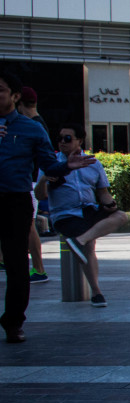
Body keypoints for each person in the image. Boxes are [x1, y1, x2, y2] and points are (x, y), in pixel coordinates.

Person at [0, 71, 97, 342]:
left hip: (14, 200)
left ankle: (13, 323)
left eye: (0, 90)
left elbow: (48, 165)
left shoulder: (31, 129)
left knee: (17, 263)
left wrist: (67, 165)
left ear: (15, 96)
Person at [35, 124, 125, 308]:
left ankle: (80, 240)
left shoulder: (93, 163)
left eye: (67, 138)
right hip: (65, 214)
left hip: (89, 209)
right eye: (59, 138)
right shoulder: (50, 163)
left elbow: (103, 192)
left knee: (121, 216)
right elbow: (39, 195)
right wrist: (44, 179)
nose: (62, 142)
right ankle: (97, 292)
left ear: (79, 141)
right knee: (89, 247)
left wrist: (110, 203)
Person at [16, 87, 50, 284]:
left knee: (28, 225)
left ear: (19, 103)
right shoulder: (38, 124)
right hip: (28, 181)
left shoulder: (33, 126)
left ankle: (39, 269)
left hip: (29, 182)